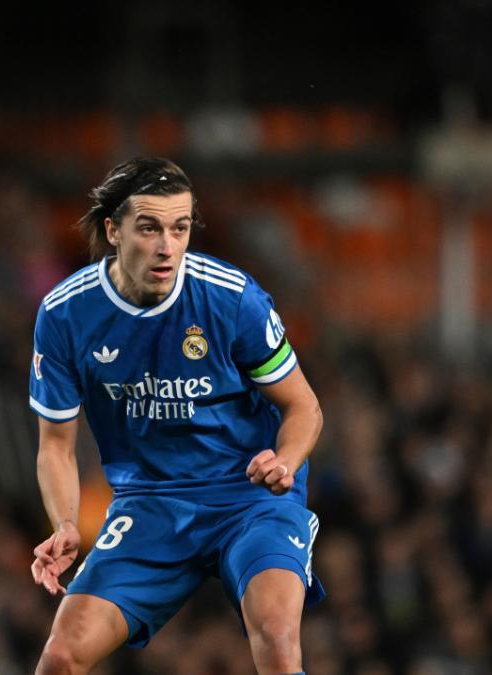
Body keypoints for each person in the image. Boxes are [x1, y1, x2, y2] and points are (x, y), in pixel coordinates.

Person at [28, 157, 324, 675]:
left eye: (180, 228)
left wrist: (286, 459)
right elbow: (55, 445)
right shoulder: (66, 314)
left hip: (249, 497)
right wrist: (67, 523)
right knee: (60, 657)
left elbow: (304, 406)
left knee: (278, 639)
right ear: (113, 230)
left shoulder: (231, 298)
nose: (167, 246)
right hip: (149, 504)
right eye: (149, 228)